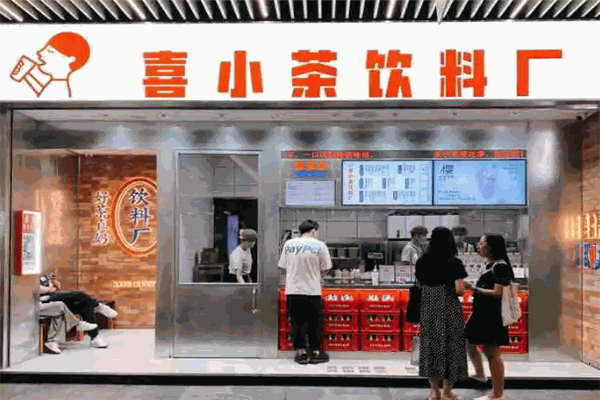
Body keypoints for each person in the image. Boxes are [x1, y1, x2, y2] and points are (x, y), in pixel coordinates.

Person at [416, 227, 469, 400]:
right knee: (451, 347)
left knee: (431, 346)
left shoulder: (422, 261)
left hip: (429, 307)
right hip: (449, 306)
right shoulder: (454, 262)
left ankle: (434, 391)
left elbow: (420, 283)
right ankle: (447, 391)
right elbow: (460, 290)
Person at [463, 235, 516, 400]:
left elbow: (498, 293)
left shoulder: (500, 266)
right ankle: (480, 374)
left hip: (492, 316)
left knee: (492, 353)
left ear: (492, 247)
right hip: (481, 313)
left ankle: (497, 394)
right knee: (469, 341)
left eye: (482, 244)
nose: (478, 247)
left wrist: (474, 288)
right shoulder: (489, 265)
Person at [278, 219, 332, 365]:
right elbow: (326, 268)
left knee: (296, 322)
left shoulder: (289, 244)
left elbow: (283, 266)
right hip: (312, 290)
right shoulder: (320, 245)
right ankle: (315, 352)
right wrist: (318, 277)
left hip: (293, 290)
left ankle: (301, 353)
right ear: (313, 230)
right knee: (314, 323)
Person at [39, 271, 118, 349]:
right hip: (43, 302)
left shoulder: (42, 276)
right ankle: (96, 306)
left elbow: (58, 287)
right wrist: (49, 289)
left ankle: (95, 338)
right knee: (79, 294)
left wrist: (53, 281)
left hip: (53, 298)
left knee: (85, 305)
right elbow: (36, 290)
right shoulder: (32, 277)